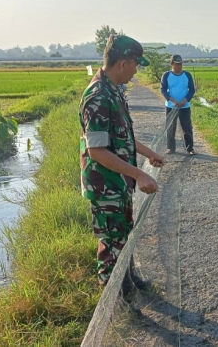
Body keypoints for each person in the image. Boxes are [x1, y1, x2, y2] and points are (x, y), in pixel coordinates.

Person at [80, 34, 165, 287]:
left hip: (118, 181)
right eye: (136, 64)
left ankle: (126, 279)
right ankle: (114, 296)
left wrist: (148, 154)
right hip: (105, 184)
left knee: (123, 234)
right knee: (111, 240)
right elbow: (97, 151)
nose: (136, 71)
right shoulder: (98, 96)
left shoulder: (114, 91)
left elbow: (122, 137)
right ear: (123, 63)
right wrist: (139, 174)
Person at [160, 54, 196, 155]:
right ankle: (170, 148)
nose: (179, 66)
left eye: (180, 64)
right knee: (171, 127)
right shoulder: (167, 75)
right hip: (171, 106)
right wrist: (172, 100)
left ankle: (190, 148)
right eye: (176, 64)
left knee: (187, 127)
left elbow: (192, 89)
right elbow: (163, 90)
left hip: (184, 106)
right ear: (171, 64)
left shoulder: (187, 75)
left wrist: (185, 99)